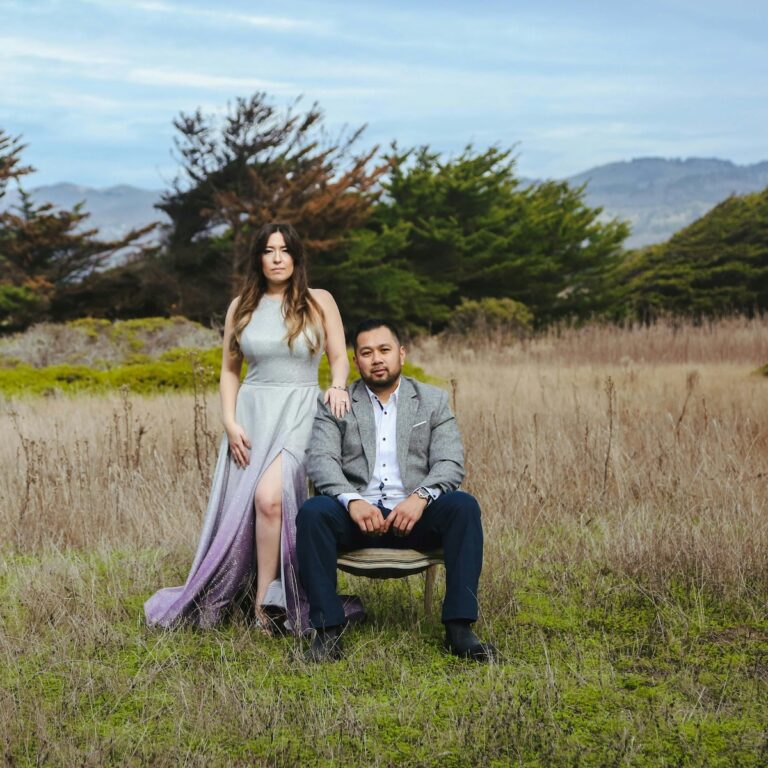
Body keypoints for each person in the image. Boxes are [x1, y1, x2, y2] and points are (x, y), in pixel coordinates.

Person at [145, 222, 363, 634]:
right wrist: (229, 421)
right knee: (253, 505)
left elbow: (339, 357)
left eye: (284, 250)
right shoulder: (240, 306)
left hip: (301, 409)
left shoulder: (319, 301)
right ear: (258, 259)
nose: (277, 257)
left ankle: (271, 600)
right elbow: (230, 371)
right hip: (253, 412)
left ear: (296, 258)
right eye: (268, 250)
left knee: (270, 498)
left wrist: (336, 386)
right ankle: (261, 604)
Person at [296, 318, 497, 662]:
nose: (377, 359)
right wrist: (353, 501)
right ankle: (328, 633)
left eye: (384, 350)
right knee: (313, 512)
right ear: (356, 360)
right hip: (357, 520)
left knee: (464, 506)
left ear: (401, 354)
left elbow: (450, 464)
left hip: (413, 520)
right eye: (367, 352)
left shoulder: (432, 401)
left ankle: (460, 630)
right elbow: (320, 462)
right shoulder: (337, 402)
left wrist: (420, 498)